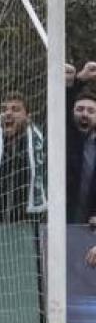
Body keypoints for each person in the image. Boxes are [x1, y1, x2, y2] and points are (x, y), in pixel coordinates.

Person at [0, 91, 46, 222]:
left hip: (29, 222)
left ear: (28, 117)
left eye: (15, 109)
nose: (8, 113)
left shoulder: (39, 145)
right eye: (4, 109)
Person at [65, 62, 96, 226]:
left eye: (91, 111)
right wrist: (78, 80)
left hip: (90, 229)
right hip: (58, 225)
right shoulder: (64, 139)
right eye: (80, 109)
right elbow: (62, 105)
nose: (84, 114)